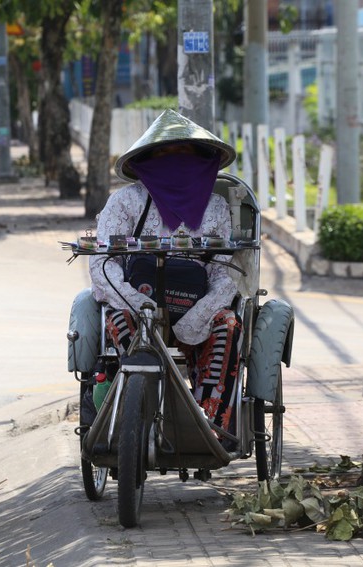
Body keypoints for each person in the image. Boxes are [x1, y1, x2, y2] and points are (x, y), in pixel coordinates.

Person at [89, 109, 241, 436]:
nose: (175, 163)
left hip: (196, 303)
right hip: (135, 302)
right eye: (165, 155)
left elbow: (224, 272)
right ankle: (130, 409)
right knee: (116, 320)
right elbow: (103, 263)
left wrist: (200, 314)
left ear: (201, 161)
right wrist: (135, 303)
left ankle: (211, 424)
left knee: (228, 326)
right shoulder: (124, 202)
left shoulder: (215, 206)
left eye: (184, 155)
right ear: (149, 161)